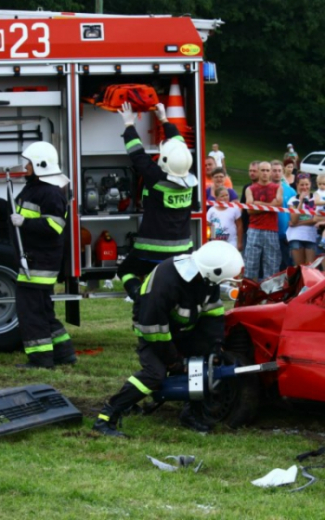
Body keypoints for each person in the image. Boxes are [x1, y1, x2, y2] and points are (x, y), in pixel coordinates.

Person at [93, 241, 244, 437]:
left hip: (183, 330)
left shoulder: (207, 280)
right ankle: (106, 417)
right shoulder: (167, 281)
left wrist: (213, 347)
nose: (225, 284)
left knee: (202, 364)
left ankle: (191, 414)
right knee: (154, 374)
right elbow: (154, 330)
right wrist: (173, 361)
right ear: (212, 272)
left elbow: (213, 314)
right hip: (153, 332)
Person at [0, 142, 75, 369]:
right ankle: (63, 351)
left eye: (29, 163)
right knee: (43, 310)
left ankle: (40, 360)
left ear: (40, 164)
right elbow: (15, 212)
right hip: (33, 260)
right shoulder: (34, 188)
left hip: (40, 264)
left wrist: (26, 223)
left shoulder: (50, 192)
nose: (26, 166)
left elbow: (55, 226)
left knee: (31, 313)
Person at [116, 102, 199, 300]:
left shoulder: (155, 177)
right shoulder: (190, 180)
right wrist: (164, 120)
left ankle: (140, 297)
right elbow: (180, 149)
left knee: (126, 271)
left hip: (151, 249)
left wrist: (129, 124)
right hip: (181, 250)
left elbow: (137, 153)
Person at [243, 161, 282, 281]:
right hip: (254, 229)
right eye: (262, 170)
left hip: (271, 230)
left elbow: (278, 204)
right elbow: (249, 210)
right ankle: (250, 293)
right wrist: (270, 206)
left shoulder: (277, 187)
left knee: (272, 264)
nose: (265, 173)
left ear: (270, 172)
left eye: (267, 170)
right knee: (251, 263)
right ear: (258, 172)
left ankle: (269, 294)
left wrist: (259, 204)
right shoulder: (250, 189)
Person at [286, 174, 318, 266]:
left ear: (310, 184)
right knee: (299, 267)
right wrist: (301, 202)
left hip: (311, 236)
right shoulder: (292, 200)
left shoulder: (315, 199)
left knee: (310, 267)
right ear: (297, 185)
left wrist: (298, 224)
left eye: (306, 184)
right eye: (302, 185)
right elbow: (294, 219)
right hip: (296, 236)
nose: (304, 187)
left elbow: (315, 219)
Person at [272, 160, 296, 270]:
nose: (277, 173)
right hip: (269, 233)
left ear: (282, 172)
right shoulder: (264, 188)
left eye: (279, 171)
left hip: (284, 234)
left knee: (285, 265)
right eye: (274, 170)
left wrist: (290, 233)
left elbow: (294, 213)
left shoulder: (291, 191)